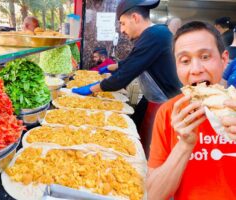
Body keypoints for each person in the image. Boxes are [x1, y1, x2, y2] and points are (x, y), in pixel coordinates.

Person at [72, 0, 181, 157]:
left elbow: (121, 79)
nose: (121, 30)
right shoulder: (154, 34)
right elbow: (133, 61)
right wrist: (109, 67)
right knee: (138, 125)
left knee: (150, 149)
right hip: (154, 99)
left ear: (135, 17)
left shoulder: (154, 36)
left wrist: (90, 88)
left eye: (123, 24)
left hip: (166, 104)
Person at [147, 21, 236, 200]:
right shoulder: (168, 113)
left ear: (224, 59)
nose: (195, 70)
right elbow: (154, 195)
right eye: (185, 61)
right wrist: (184, 145)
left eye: (205, 57)